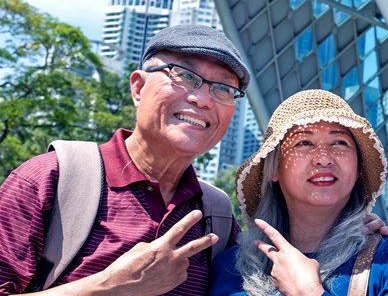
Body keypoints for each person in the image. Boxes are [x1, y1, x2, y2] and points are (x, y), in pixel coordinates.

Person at [0, 24, 251, 295]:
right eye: (185, 75)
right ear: (138, 88)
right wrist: (109, 286)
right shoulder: (51, 179)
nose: (201, 99)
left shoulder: (217, 214)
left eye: (223, 89)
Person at [209, 89, 388, 296]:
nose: (324, 158)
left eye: (339, 142)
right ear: (273, 168)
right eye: (304, 143)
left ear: (358, 170)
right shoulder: (230, 267)